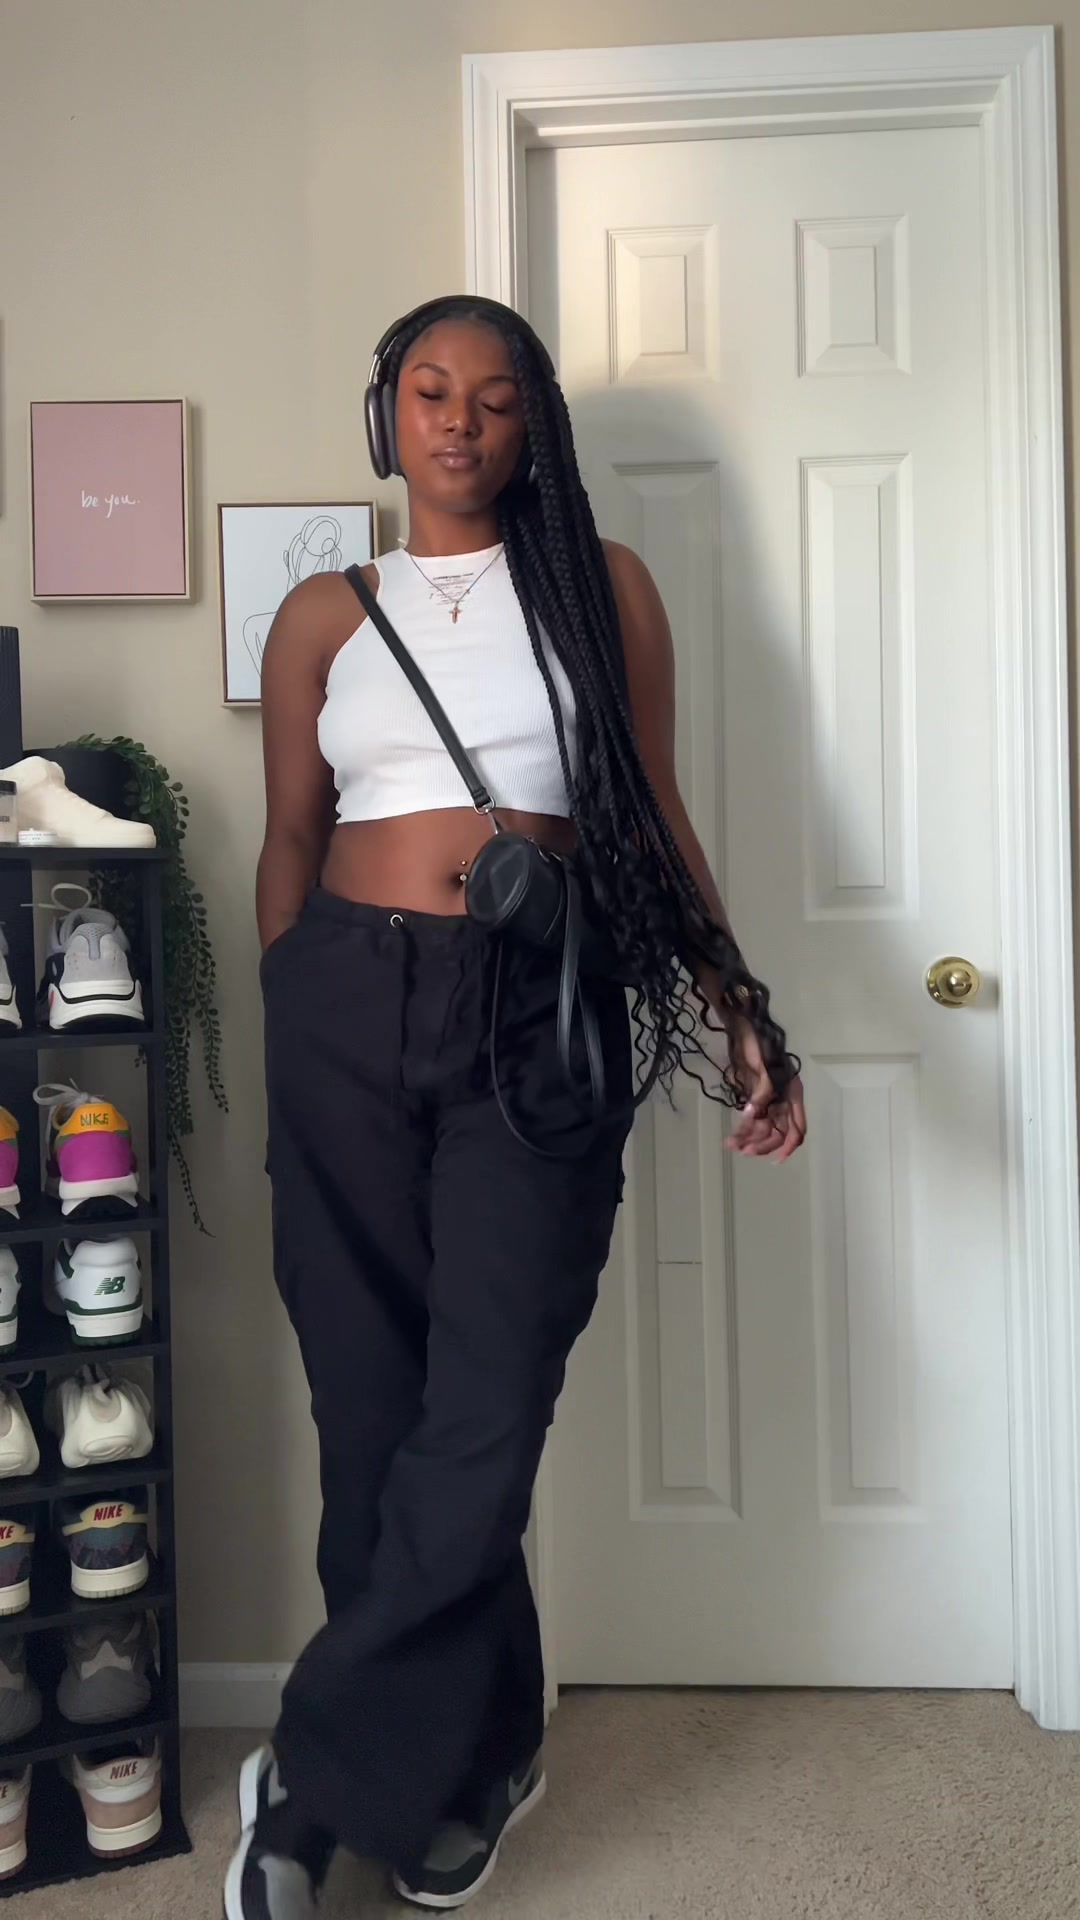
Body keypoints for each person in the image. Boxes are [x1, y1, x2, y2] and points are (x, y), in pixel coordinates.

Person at [225, 294, 806, 1920]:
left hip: (536, 1016)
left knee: (484, 1407)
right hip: (344, 1007)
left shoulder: (600, 589)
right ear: (387, 415)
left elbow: (654, 811)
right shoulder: (325, 614)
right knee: (370, 1409)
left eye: (493, 396)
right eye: (430, 390)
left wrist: (737, 1004)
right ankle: (475, 1757)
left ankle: (317, 1782)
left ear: (531, 424)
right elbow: (289, 836)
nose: (460, 420)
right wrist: (290, 1009)